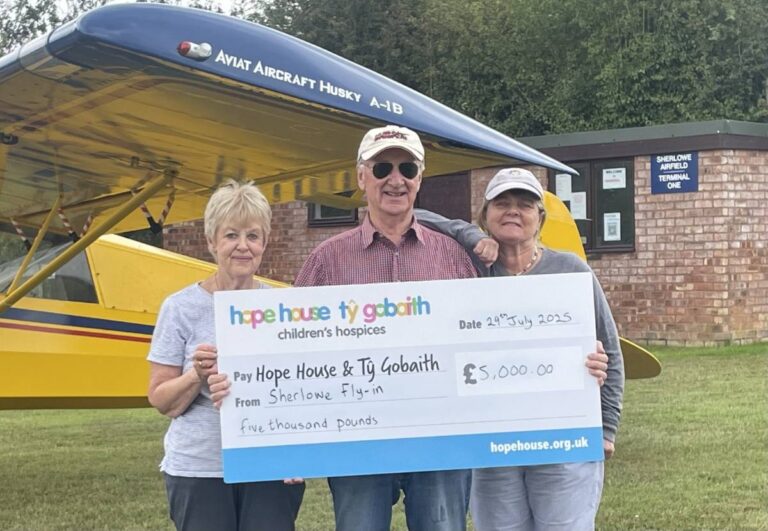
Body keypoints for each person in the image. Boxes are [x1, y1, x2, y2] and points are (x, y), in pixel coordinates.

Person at [418, 167, 624, 531]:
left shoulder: (570, 270)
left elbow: (610, 350)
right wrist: (467, 234)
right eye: (502, 203)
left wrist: (606, 428)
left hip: (563, 438)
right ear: (485, 215)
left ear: (539, 218)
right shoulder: (471, 270)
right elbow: (414, 216)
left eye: (525, 205)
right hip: (494, 444)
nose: (513, 211)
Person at [146, 180, 304, 531]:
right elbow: (160, 399)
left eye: (253, 236)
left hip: (268, 464)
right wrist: (194, 375)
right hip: (199, 467)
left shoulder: (285, 307)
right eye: (231, 235)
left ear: (265, 243)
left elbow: (301, 390)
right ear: (211, 242)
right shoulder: (179, 308)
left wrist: (298, 453)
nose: (243, 246)